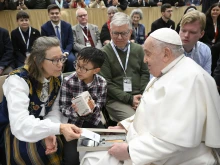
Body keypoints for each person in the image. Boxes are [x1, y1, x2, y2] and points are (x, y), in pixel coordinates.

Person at [80, 28, 220, 165]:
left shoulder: (190, 80)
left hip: (171, 157)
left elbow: (177, 140)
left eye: (148, 54)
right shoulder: (168, 71)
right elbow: (149, 110)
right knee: (88, 150)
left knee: (92, 158)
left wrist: (130, 151)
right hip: (146, 145)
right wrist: (126, 126)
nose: (145, 60)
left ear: (166, 54)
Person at [0, 36, 81, 165]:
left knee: (55, 149)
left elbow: (54, 109)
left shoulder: (56, 76)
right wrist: (56, 128)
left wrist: (51, 130)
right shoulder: (18, 80)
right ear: (38, 61)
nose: (60, 64)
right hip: (14, 128)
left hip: (42, 123)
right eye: (55, 60)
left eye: (62, 58)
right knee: (32, 156)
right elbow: (20, 123)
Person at [59, 47, 107, 165]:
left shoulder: (102, 82)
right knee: (71, 160)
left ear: (96, 70)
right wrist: (76, 112)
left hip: (93, 122)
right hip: (73, 124)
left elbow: (100, 105)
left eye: (84, 68)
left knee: (103, 153)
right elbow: (63, 107)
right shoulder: (68, 81)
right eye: (77, 65)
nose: (79, 70)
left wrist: (91, 108)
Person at [99, 12, 150, 122]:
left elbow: (145, 74)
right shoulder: (104, 53)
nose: (119, 37)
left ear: (130, 32)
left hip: (140, 95)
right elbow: (106, 83)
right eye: (115, 33)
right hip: (116, 99)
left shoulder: (139, 49)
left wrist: (141, 97)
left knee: (155, 116)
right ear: (110, 32)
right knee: (136, 121)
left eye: (123, 33)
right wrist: (130, 99)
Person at [41, 4, 76, 72]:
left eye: (57, 13)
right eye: (52, 13)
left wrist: (66, 52)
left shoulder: (67, 26)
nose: (55, 15)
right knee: (53, 62)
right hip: (53, 51)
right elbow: (45, 44)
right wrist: (59, 53)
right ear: (48, 15)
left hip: (66, 51)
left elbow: (70, 41)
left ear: (60, 14)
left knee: (72, 60)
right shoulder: (44, 28)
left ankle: (68, 77)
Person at [200, 3, 220, 74]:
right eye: (213, 10)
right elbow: (204, 36)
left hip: (216, 44)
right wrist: (212, 44)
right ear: (210, 11)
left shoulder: (219, 22)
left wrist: (216, 45)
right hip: (206, 42)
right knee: (211, 49)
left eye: (217, 10)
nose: (215, 12)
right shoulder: (206, 20)